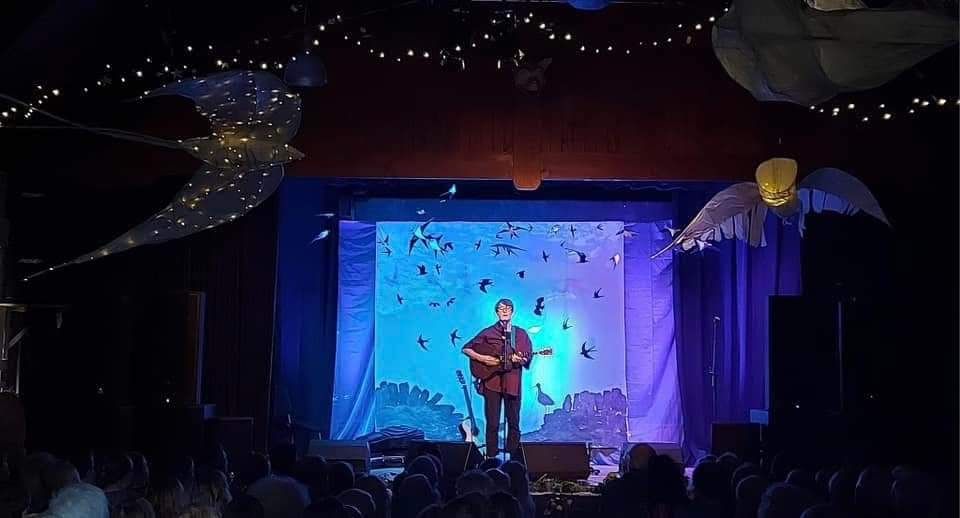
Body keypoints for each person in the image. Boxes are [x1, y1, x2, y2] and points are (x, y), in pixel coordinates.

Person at [461, 299, 533, 459]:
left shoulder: (520, 334)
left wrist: (520, 359)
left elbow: (527, 357)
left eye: (508, 308)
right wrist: (484, 359)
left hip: (513, 383)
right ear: (497, 312)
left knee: (513, 422)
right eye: (501, 309)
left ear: (513, 312)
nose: (505, 311)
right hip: (492, 383)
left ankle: (513, 458)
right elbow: (466, 348)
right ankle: (491, 458)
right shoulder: (488, 332)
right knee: (492, 424)